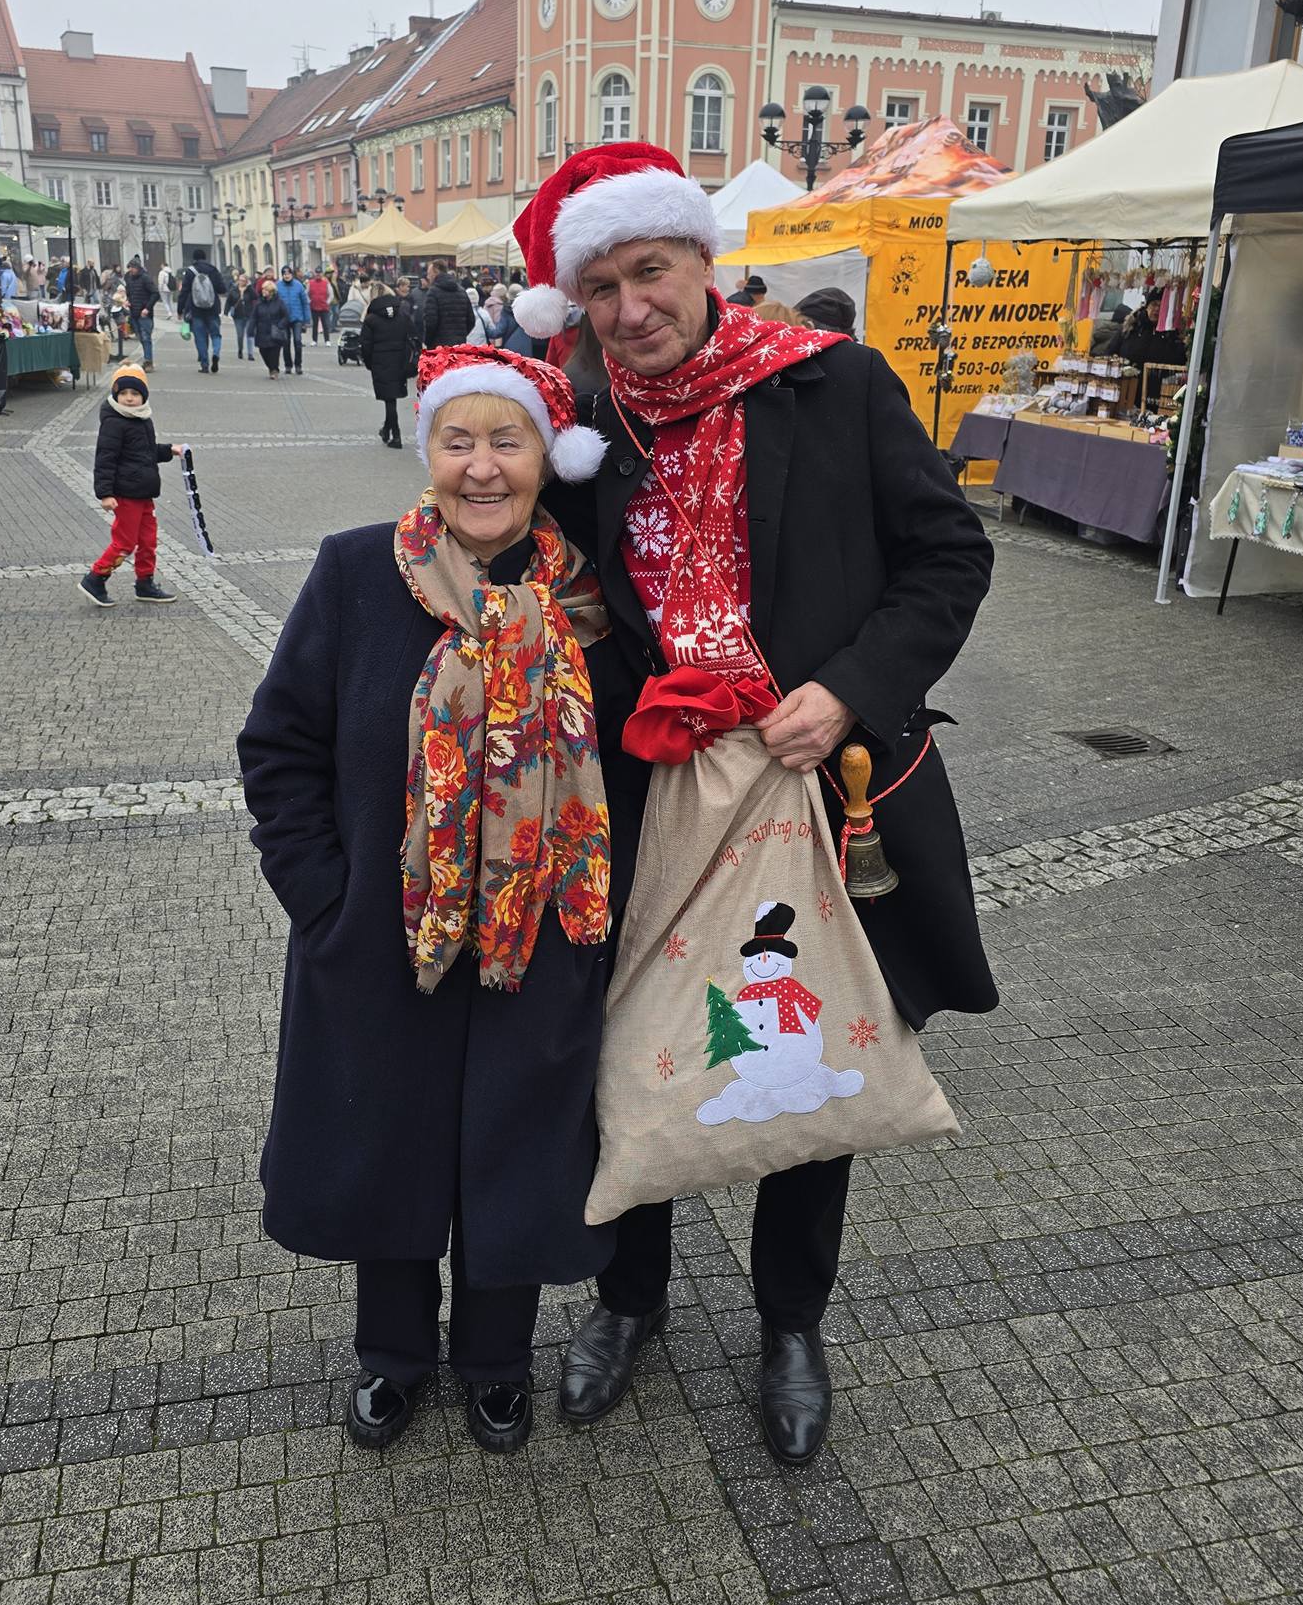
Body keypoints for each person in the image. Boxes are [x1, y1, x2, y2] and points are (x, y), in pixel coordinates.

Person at [511, 141, 997, 1465]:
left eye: (648, 271)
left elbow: (950, 553)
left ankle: (792, 1319)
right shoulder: (579, 428)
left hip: (806, 781)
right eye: (600, 286)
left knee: (800, 1038)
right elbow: (545, 580)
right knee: (635, 1035)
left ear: (700, 263)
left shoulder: (830, 385)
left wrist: (848, 690)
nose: (628, 309)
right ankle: (630, 1298)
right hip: (639, 788)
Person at [238, 344, 630, 1457]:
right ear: (430, 456)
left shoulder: (593, 605)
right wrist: (325, 897)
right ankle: (394, 1355)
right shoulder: (356, 571)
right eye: (459, 440)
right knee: (389, 1146)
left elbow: (642, 768)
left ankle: (498, 1360)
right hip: (382, 939)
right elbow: (278, 746)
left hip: (540, 940)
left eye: (506, 439)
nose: (483, 466)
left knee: (517, 1150)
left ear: (546, 457)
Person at [77, 363, 182, 607]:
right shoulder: (114, 422)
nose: (129, 398)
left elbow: (145, 451)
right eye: (123, 394)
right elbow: (104, 458)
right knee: (124, 542)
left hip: (144, 493)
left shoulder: (142, 419)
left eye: (134, 394)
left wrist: (169, 450)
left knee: (148, 539)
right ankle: (96, 577)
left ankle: (145, 583)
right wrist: (105, 493)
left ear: (143, 396)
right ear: (116, 395)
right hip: (126, 494)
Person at [360, 281, 414, 447]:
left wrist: (369, 363)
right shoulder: (402, 314)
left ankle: (396, 435)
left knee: (389, 398)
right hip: (400, 361)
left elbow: (366, 345)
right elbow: (412, 335)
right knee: (391, 398)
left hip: (380, 362)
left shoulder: (371, 319)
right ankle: (386, 429)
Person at [179, 246, 230, 374]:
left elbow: (184, 291)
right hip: (212, 309)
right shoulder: (213, 270)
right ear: (205, 257)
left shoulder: (190, 272)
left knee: (200, 337)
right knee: (215, 334)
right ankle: (216, 353)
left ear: (194, 258)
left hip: (196, 310)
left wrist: (180, 309)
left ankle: (204, 364)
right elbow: (222, 289)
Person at [423, 262, 474, 347]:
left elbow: (430, 322)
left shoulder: (433, 292)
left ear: (436, 272)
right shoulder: (461, 291)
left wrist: (428, 342)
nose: (427, 277)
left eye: (429, 274)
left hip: (438, 347)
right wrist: (461, 336)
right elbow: (471, 320)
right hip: (459, 345)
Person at [124, 257, 160, 370]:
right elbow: (129, 293)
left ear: (138, 268)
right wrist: (127, 301)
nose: (131, 270)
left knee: (146, 337)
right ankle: (147, 359)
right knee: (141, 338)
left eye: (133, 268)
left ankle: (148, 361)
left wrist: (147, 308)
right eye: (130, 268)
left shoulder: (145, 278)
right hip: (134, 313)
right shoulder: (129, 279)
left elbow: (155, 294)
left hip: (144, 314)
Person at [252, 276, 291, 377]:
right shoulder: (259, 303)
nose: (263, 291)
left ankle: (274, 370)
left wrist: (280, 325)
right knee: (263, 351)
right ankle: (271, 368)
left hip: (275, 332)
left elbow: (286, 316)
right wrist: (251, 328)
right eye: (263, 289)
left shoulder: (279, 302)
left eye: (266, 289)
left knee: (274, 352)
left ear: (271, 291)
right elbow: (254, 317)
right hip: (262, 331)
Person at [278, 267, 309, 374]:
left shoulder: (298, 285)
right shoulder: (278, 286)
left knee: (297, 341)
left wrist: (306, 319)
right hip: (283, 318)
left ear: (292, 274)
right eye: (284, 274)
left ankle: (298, 365)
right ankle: (288, 365)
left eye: (288, 273)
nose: (286, 276)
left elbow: (305, 303)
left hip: (297, 318)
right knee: (285, 342)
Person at [226, 274, 257, 362]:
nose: (241, 282)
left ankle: (250, 354)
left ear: (246, 281)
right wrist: (225, 312)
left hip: (249, 315)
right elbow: (229, 301)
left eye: (243, 280)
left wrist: (249, 287)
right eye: (240, 280)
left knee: (249, 334)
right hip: (238, 316)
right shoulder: (233, 290)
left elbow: (255, 297)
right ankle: (240, 350)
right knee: (240, 335)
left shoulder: (249, 290)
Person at [307, 270, 332, 344]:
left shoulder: (326, 283)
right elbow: (306, 293)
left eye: (319, 273)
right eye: (317, 273)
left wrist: (327, 302)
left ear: (322, 274)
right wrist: (309, 301)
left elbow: (331, 294)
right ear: (315, 274)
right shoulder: (310, 283)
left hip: (324, 307)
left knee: (325, 324)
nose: (318, 274)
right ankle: (314, 340)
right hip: (314, 306)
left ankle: (327, 340)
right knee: (315, 324)